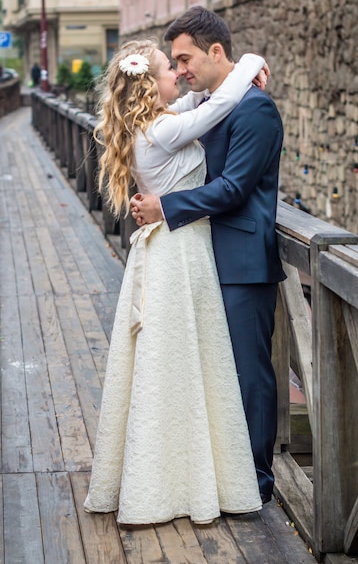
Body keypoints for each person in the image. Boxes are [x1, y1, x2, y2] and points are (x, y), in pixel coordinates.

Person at [83, 38, 269, 524]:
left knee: (181, 361)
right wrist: (251, 61)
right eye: (171, 69)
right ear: (150, 84)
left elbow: (205, 99)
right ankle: (181, 480)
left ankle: (184, 471)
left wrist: (226, 72)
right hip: (178, 252)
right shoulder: (161, 132)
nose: (179, 76)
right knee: (182, 361)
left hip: (176, 247)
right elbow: (222, 103)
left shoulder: (154, 124)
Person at [131, 6, 286, 505]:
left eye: (185, 58)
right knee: (211, 376)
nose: (179, 71)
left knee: (248, 375)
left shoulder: (255, 109)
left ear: (216, 51)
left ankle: (257, 484)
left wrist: (164, 207)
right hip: (200, 258)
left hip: (243, 262)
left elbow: (236, 187)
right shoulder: (211, 102)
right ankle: (222, 477)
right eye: (173, 63)